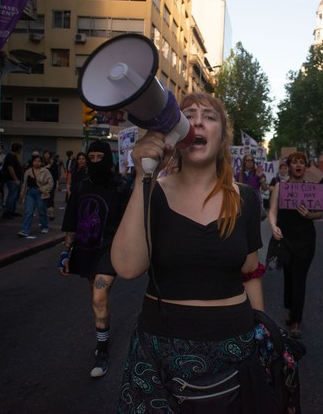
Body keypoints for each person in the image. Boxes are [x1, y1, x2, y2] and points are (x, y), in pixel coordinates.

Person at [110, 92, 266, 411]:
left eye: (209, 117)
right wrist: (144, 176)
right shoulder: (152, 191)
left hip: (234, 350)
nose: (197, 121)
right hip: (159, 350)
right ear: (177, 133)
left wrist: (263, 337)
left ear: (223, 137)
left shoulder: (247, 200)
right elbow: (126, 267)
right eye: (188, 116)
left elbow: (250, 272)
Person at [59, 140, 130, 378]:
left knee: (100, 296)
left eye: (101, 157)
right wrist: (65, 253)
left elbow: (130, 222)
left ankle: (102, 351)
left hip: (110, 249)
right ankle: (102, 336)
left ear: (109, 160)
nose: (96, 162)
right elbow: (71, 223)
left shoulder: (120, 187)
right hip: (85, 250)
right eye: (92, 157)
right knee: (96, 297)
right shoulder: (81, 187)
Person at [268, 151, 323, 339]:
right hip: (286, 239)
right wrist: (273, 227)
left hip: (305, 240)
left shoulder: (312, 187)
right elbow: (272, 211)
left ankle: (297, 320)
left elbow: (320, 213)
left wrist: (310, 215)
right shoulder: (280, 187)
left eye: (302, 162)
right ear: (289, 166)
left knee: (299, 278)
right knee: (289, 277)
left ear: (306, 167)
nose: (298, 165)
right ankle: (291, 310)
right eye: (295, 162)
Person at [17, 154, 53, 237]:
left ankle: (44, 226)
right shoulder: (28, 171)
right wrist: (22, 194)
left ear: (42, 162)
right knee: (28, 212)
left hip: (41, 192)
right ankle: (25, 230)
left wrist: (43, 189)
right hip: (30, 193)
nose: (37, 163)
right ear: (32, 162)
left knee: (41, 211)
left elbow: (50, 183)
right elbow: (24, 184)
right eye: (35, 161)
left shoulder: (45, 171)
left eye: (39, 161)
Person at [1, 143, 24, 218]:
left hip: (15, 179)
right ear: (18, 149)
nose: (21, 150)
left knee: (15, 196)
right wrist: (15, 179)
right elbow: (10, 168)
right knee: (12, 195)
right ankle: (8, 211)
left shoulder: (13, 156)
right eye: (20, 149)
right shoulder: (10, 156)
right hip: (12, 180)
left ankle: (13, 210)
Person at [43, 150, 61, 220]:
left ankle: (51, 214)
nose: (46, 155)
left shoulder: (54, 164)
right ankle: (47, 212)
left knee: (50, 198)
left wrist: (57, 184)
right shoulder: (43, 163)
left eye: (47, 154)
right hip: (43, 184)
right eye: (45, 154)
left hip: (51, 184)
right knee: (45, 199)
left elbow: (56, 175)